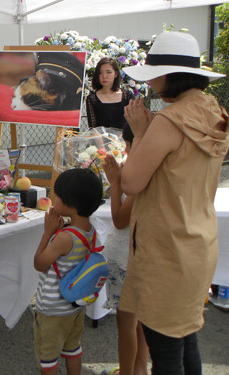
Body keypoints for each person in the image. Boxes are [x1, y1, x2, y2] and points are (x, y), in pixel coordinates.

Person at [119, 31, 229, 375]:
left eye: (154, 74)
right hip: (197, 244)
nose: (150, 83)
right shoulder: (215, 113)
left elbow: (131, 181)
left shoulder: (170, 120)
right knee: (186, 341)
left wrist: (141, 133)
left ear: (169, 75)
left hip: (166, 251)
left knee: (166, 356)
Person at [33, 168, 103, 375]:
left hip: (53, 309)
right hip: (75, 307)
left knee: (48, 358)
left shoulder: (64, 238)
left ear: (70, 205)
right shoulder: (89, 230)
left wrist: (48, 233)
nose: (54, 200)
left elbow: (40, 263)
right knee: (72, 348)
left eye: (57, 196)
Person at [100, 125, 149, 375]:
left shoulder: (141, 175)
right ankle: (139, 369)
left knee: (126, 322)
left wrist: (115, 181)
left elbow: (120, 219)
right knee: (140, 321)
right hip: (141, 256)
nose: (127, 151)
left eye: (129, 146)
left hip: (126, 259)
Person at [86, 57, 135, 129]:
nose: (104, 76)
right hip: (102, 139)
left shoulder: (128, 96)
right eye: (100, 73)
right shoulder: (92, 99)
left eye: (108, 72)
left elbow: (134, 122)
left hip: (125, 139)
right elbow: (93, 128)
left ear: (115, 74)